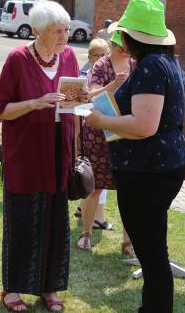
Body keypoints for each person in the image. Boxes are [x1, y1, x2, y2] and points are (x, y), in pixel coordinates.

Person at [86, 0, 185, 313]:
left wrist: (101, 120)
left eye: (121, 33)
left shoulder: (150, 67)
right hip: (161, 169)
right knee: (153, 252)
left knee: (152, 257)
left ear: (130, 36)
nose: (118, 37)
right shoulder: (169, 63)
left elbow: (144, 125)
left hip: (147, 174)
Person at [0, 0, 80, 312]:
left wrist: (87, 102)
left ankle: (49, 288)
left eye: (66, 30)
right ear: (39, 30)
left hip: (59, 151)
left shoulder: (68, 56)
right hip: (26, 153)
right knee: (24, 220)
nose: (64, 36)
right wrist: (34, 102)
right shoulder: (17, 59)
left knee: (56, 222)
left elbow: (74, 102)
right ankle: (13, 290)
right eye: (57, 31)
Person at [77, 31, 135, 258]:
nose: (124, 50)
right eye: (121, 46)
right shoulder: (101, 65)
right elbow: (91, 95)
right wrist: (112, 84)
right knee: (94, 186)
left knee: (129, 191)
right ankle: (87, 233)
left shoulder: (136, 64)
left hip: (125, 132)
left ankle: (128, 242)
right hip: (99, 133)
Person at [76, 38, 111, 229]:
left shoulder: (109, 74)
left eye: (102, 55)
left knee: (101, 180)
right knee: (94, 177)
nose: (98, 59)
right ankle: (94, 219)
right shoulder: (83, 76)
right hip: (88, 130)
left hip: (106, 129)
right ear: (89, 57)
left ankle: (93, 213)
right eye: (94, 55)